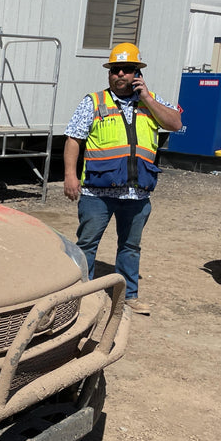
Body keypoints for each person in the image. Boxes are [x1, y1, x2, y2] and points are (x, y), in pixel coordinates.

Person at [63, 43, 182, 315]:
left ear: (137, 73)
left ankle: (129, 295)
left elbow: (175, 123)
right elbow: (73, 139)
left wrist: (149, 99)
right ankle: (82, 295)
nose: (120, 75)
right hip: (97, 193)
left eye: (127, 70)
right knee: (87, 245)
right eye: (115, 70)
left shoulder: (151, 102)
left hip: (136, 194)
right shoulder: (93, 102)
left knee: (130, 246)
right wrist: (70, 176)